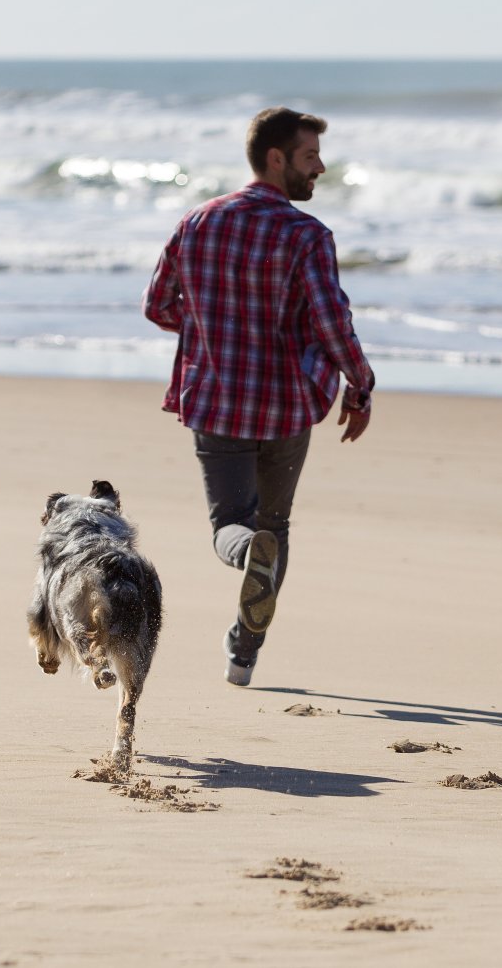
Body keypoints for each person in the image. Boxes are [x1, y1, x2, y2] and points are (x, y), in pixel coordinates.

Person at [142, 106, 376, 686]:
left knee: (231, 526)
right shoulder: (306, 235)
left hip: (216, 397)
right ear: (277, 158)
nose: (320, 167)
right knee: (277, 524)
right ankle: (244, 654)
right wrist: (361, 384)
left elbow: (158, 305)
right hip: (287, 406)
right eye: (309, 156)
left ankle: (247, 554)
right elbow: (331, 323)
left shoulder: (197, 222)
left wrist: (214, 333)